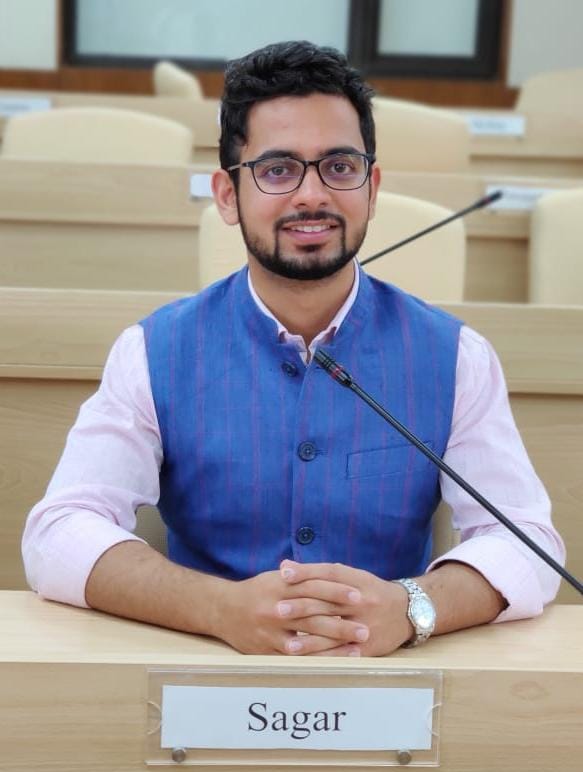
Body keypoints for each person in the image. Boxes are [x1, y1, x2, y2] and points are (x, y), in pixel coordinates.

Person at [23, 41, 564, 657]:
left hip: (393, 682)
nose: (312, 195)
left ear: (372, 187)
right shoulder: (152, 350)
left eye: (339, 166)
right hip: (201, 673)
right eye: (278, 170)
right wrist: (217, 607)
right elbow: (59, 533)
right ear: (227, 195)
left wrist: (413, 605)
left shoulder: (456, 355)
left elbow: (526, 540)